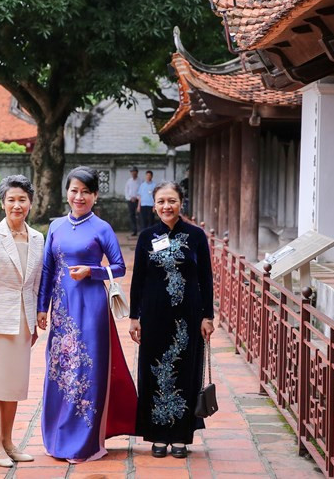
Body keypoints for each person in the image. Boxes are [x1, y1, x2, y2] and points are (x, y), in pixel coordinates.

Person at [37, 166, 137, 462]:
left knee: (86, 371)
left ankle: (86, 442)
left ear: (94, 196)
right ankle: (58, 437)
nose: (79, 197)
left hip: (92, 308)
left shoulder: (102, 228)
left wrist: (91, 271)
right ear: (66, 192)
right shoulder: (55, 226)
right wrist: (43, 307)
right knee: (60, 372)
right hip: (62, 311)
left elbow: (119, 267)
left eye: (85, 192)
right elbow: (47, 269)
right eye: (74, 190)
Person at [128, 181, 215, 459]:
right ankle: (156, 435)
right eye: (162, 201)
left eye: (172, 201)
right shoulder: (146, 236)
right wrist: (134, 317)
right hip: (153, 316)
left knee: (185, 370)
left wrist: (208, 315)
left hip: (188, 316)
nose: (167, 206)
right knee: (153, 370)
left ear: (181, 204)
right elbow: (138, 279)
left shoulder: (196, 236)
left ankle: (180, 435)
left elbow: (206, 279)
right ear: (154, 206)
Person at [0, 175, 45, 468]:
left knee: (12, 385)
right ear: (3, 203)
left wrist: (35, 319)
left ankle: (9, 440)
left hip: (23, 322)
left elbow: (35, 283)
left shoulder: (37, 238)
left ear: (30, 203)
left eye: (22, 199)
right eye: (11, 199)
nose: (17, 205)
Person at [125, 166, 141, 236]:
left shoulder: (140, 181)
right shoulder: (129, 181)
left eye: (134, 172)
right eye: (132, 172)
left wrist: (137, 197)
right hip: (130, 200)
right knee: (132, 215)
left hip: (138, 200)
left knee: (139, 215)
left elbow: (141, 191)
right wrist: (129, 198)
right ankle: (134, 230)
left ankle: (140, 230)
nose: (133, 173)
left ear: (137, 173)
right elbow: (126, 191)